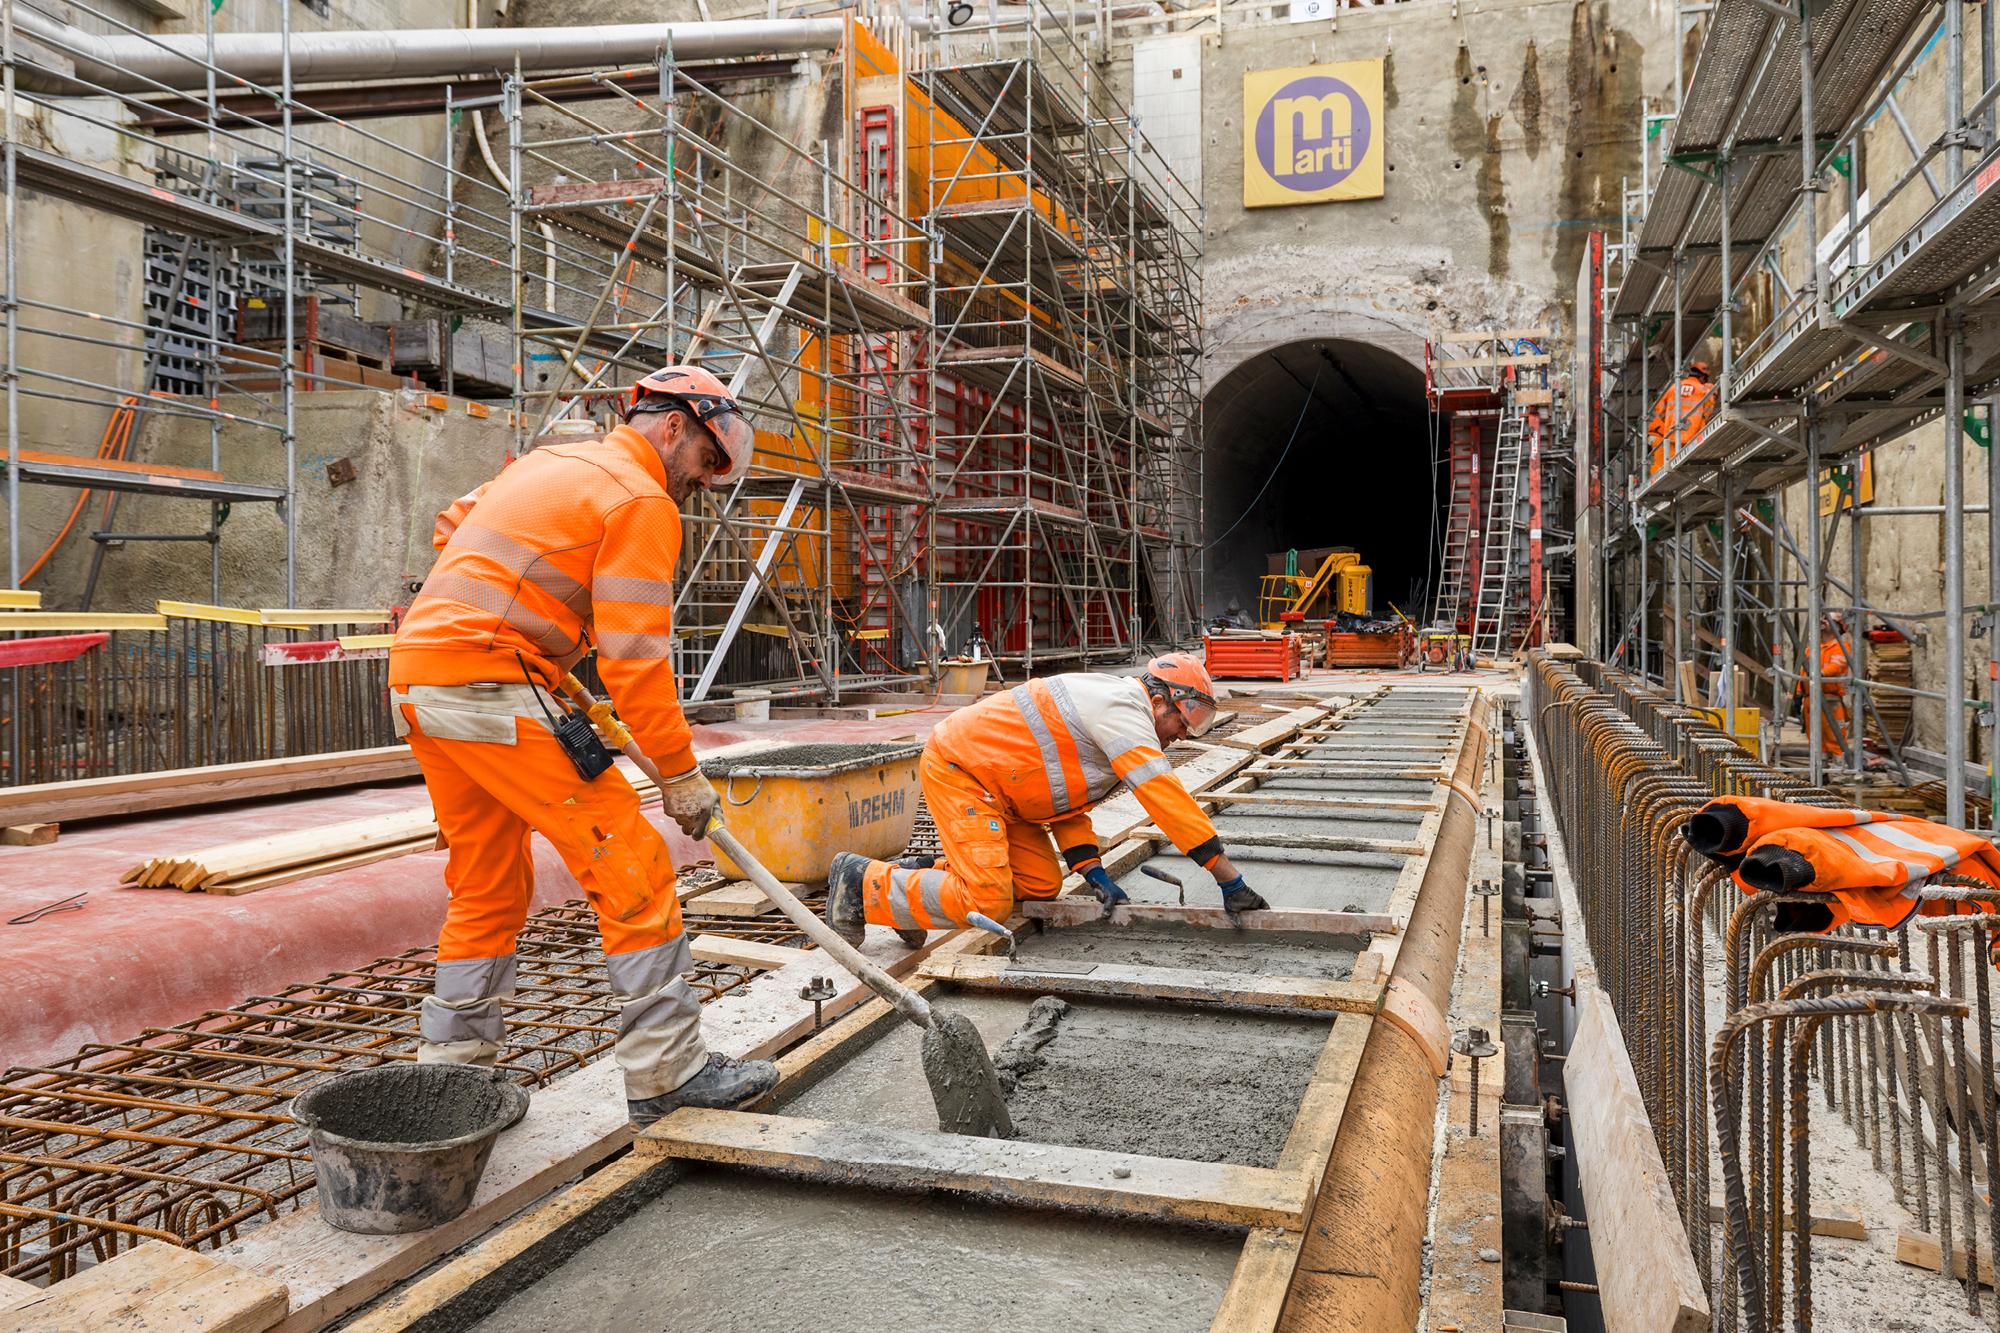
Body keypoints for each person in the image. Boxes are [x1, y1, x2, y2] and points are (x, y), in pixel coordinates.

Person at [388, 365, 779, 1128]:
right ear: (673, 428)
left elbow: (452, 526)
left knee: (487, 882)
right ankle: (669, 1071)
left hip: (422, 677)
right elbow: (636, 659)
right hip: (492, 682)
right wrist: (679, 773)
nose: (698, 485)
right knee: (629, 857)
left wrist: (542, 640)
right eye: (703, 464)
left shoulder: (553, 462)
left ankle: (452, 1083)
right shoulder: (640, 498)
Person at [823, 652, 1267, 946]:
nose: (1181, 735)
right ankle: (863, 883)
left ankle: (912, 879)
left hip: (1010, 795)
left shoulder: (1117, 712)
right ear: (1158, 700)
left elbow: (1066, 798)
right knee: (989, 902)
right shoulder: (1123, 710)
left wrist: (1093, 872)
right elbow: (1165, 800)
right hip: (965, 772)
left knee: (1039, 885)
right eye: (1182, 723)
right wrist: (1228, 879)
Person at [1793, 612, 1852, 760]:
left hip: (1829, 699)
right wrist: (1798, 693)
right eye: (1824, 619)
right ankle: (1822, 771)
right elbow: (1803, 670)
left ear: (1838, 628)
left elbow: (1837, 666)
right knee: (1815, 739)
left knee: (1835, 737)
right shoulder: (1813, 647)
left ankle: (1841, 770)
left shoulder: (1841, 646)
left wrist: (1820, 675)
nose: (1824, 621)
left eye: (1828, 620)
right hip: (1810, 698)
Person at [1646, 358, 1716, 474]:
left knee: (1668, 473)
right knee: (1690, 473)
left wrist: (1670, 421)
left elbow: (1660, 411)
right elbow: (1708, 413)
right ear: (1703, 377)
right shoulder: (1704, 390)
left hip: (1672, 436)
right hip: (1693, 439)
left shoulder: (1673, 388)